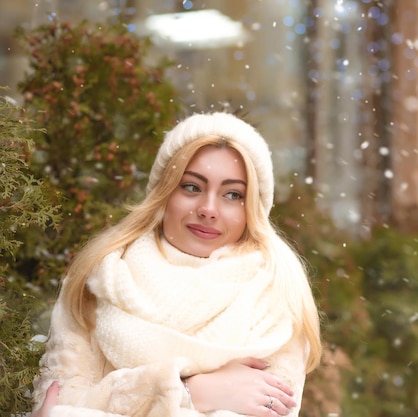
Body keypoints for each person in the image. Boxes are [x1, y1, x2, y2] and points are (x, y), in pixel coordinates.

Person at [30, 112, 323, 417]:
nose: (209, 209)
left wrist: (110, 402)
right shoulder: (100, 277)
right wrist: (188, 391)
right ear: (165, 192)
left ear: (251, 209)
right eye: (192, 187)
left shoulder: (277, 298)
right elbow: (57, 407)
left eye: (232, 194)